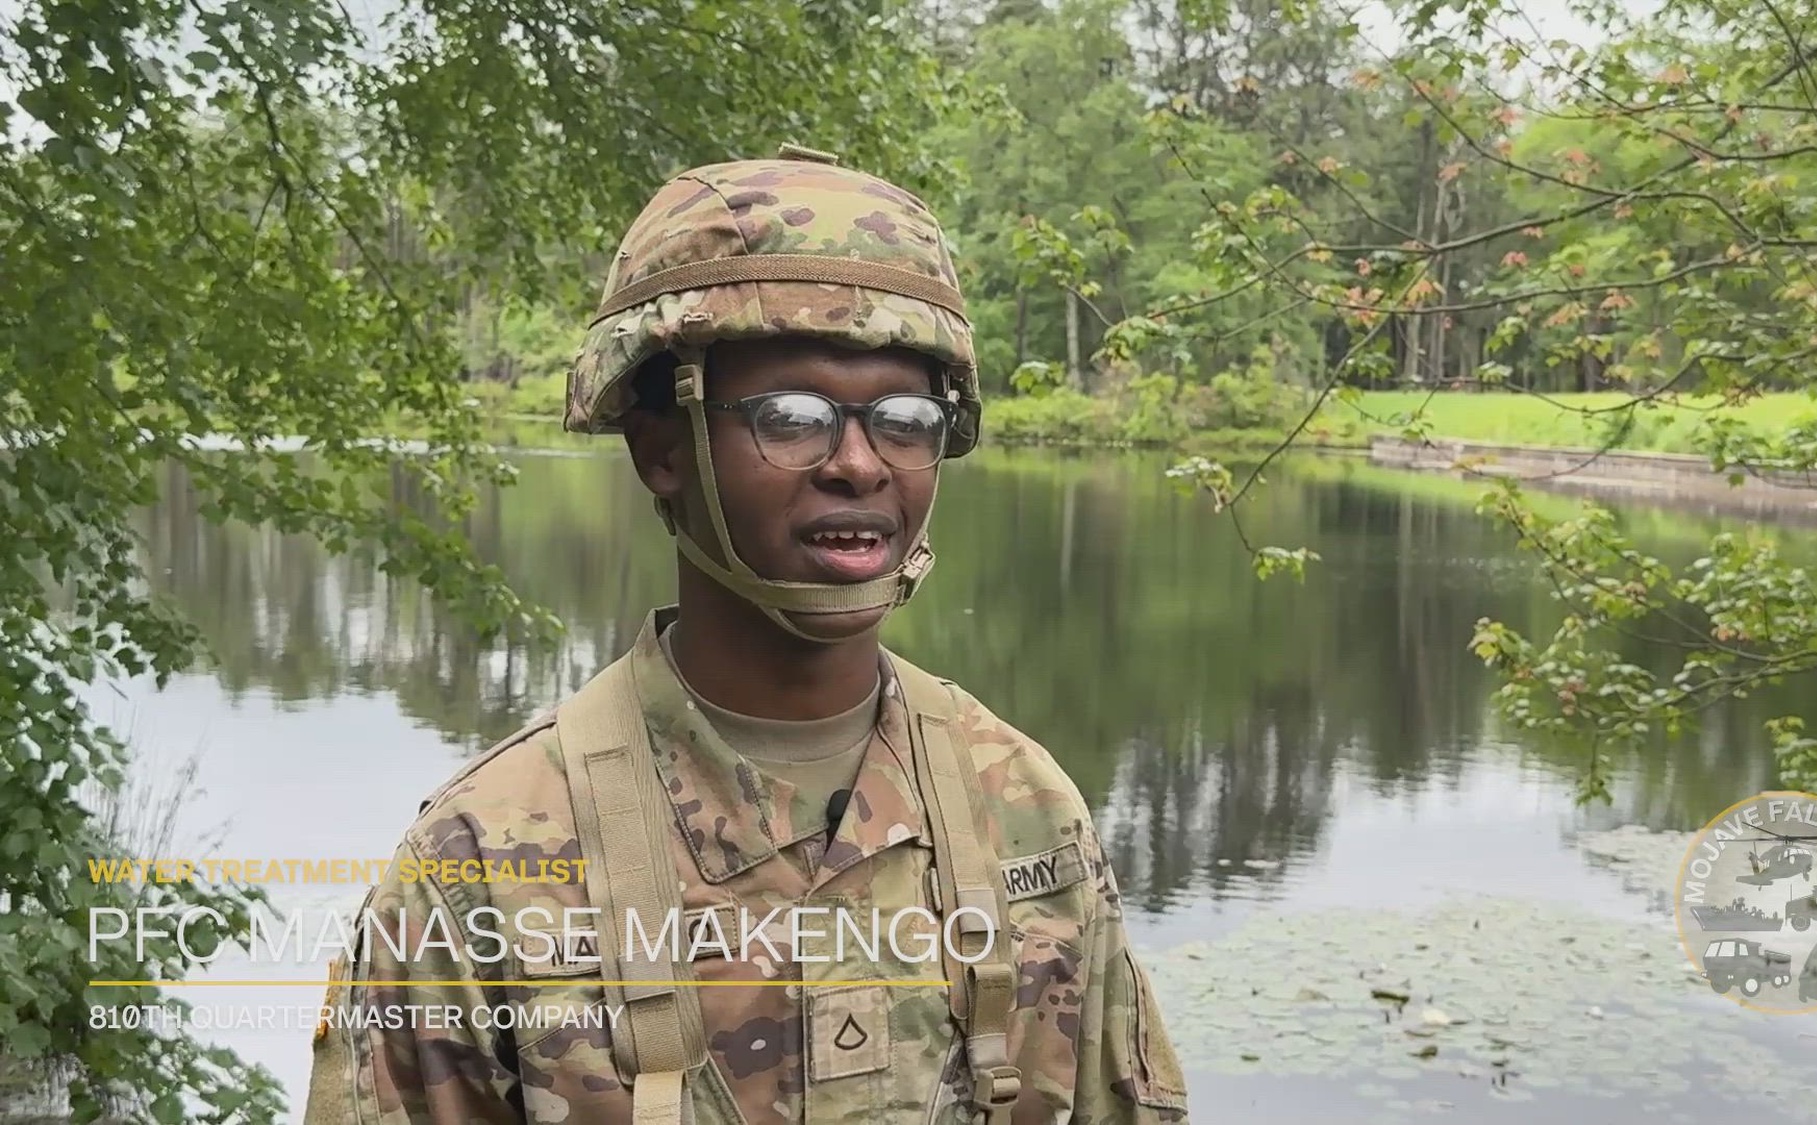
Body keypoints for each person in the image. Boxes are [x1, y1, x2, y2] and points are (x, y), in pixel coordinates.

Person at [302, 143, 1189, 1125]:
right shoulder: (488, 857)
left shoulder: (1021, 807)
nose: (859, 466)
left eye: (902, 418)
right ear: (661, 450)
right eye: (791, 415)